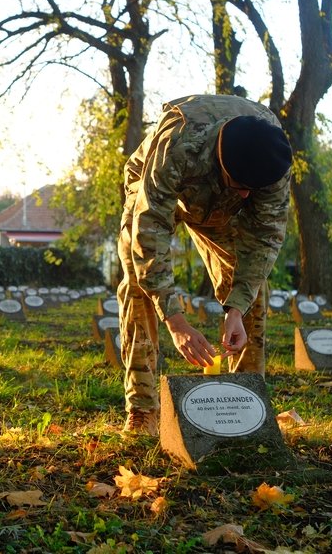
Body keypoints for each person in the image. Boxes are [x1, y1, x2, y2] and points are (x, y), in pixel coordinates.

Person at [118, 94, 292, 436]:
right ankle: (142, 409)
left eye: (252, 191)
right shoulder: (178, 143)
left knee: (251, 290)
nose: (247, 196)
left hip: (219, 208)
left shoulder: (272, 160)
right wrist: (176, 319)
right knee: (139, 284)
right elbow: (149, 230)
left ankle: (244, 400)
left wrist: (236, 309)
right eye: (242, 186)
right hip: (155, 192)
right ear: (223, 164)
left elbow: (264, 240)